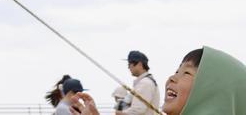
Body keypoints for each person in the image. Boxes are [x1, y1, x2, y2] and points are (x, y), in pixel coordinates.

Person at [74, 47, 246, 115]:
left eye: (186, 73)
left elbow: (137, 112)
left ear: (212, 93)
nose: (172, 77)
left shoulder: (145, 84)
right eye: (176, 71)